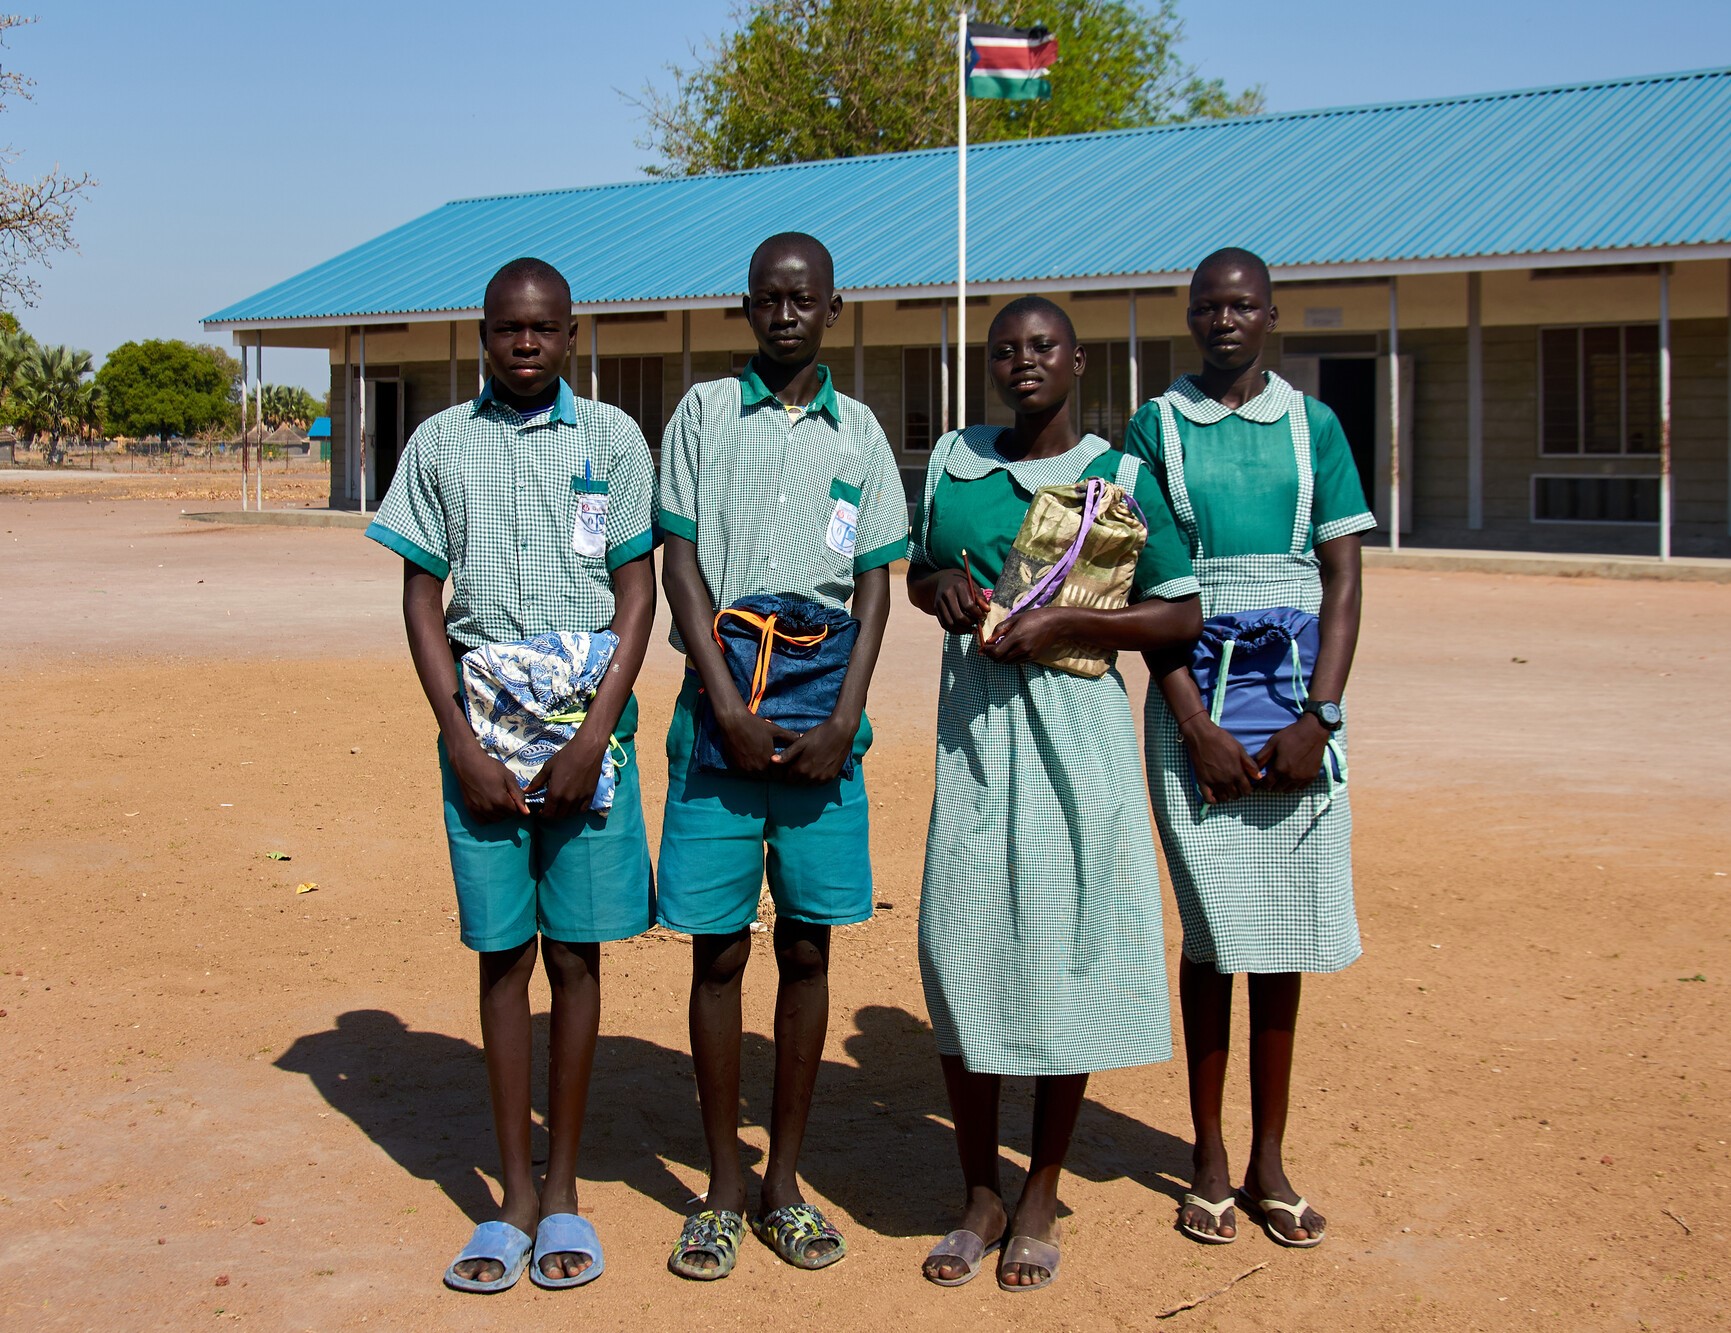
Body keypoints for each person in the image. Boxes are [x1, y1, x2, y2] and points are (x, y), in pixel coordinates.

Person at [364, 257, 658, 1292]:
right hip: (481, 736)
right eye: (505, 329)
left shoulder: (613, 440)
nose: (524, 343)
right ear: (482, 335)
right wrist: (459, 739)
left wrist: (595, 736)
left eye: (542, 328)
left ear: (571, 334)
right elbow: (419, 596)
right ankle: (512, 1200)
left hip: (587, 733)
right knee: (503, 958)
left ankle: (566, 1187)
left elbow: (636, 590)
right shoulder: (440, 444)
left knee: (575, 957)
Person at [908, 296, 1202, 1291]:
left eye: (1042, 347)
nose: (1023, 362)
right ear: (987, 365)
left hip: (1076, 735)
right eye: (1005, 350)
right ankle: (976, 1188)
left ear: (1077, 359)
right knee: (961, 943)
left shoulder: (1117, 477)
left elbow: (1180, 612)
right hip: (975, 735)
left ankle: (1039, 1188)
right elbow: (918, 571)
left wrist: (1073, 629)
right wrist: (938, 584)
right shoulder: (954, 462)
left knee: (1063, 941)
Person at [657, 232, 908, 1280]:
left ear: (835, 310)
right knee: (719, 949)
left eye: (804, 298)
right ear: (747, 308)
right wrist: (724, 705)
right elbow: (676, 557)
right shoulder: (705, 414)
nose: (787, 312)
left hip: (821, 731)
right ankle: (721, 1184)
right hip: (723, 718)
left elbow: (879, 582)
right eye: (769, 297)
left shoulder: (861, 434)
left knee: (808, 946)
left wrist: (847, 718)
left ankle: (784, 1182)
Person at [1124, 248, 1376, 1248]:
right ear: (1189, 316)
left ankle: (1271, 1158)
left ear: (1272, 315)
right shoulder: (1156, 425)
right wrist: (1193, 723)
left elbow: (1346, 585)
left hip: (1299, 712)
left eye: (1243, 304)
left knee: (1287, 934)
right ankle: (1209, 1152)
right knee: (1212, 932)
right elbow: (1144, 583)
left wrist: (1321, 716)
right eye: (1207, 305)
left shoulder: (1315, 428)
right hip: (1196, 709)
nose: (1225, 318)